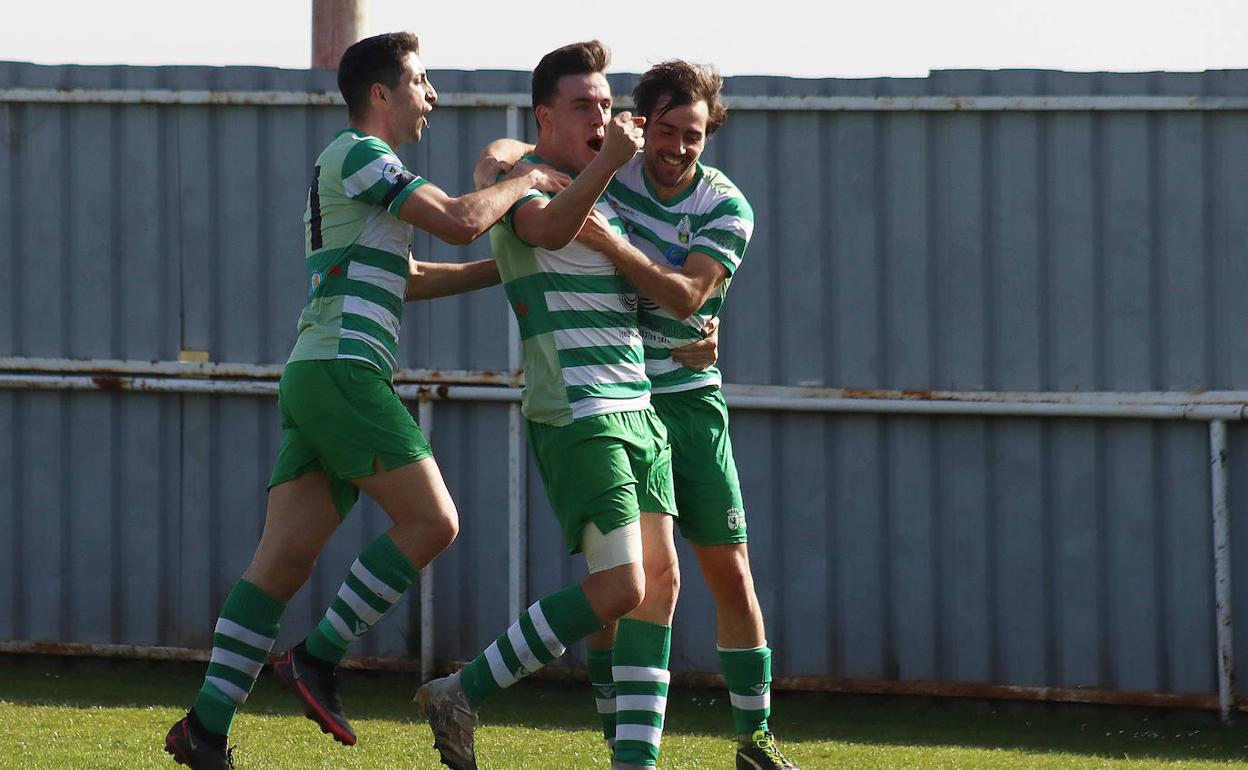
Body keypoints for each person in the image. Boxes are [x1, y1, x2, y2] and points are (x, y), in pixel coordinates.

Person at [162, 31, 571, 770]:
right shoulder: (360, 153)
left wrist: (501, 272)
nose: (432, 96)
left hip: (320, 374)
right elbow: (458, 218)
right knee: (434, 521)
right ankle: (316, 658)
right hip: (345, 373)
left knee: (279, 566)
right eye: (420, 82)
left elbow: (409, 274)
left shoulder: (365, 176)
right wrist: (529, 180)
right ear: (381, 93)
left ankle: (205, 728)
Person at [477, 60, 800, 770]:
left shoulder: (726, 206)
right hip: (617, 400)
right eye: (667, 130)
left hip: (688, 403)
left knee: (728, 572)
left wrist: (621, 252)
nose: (679, 147)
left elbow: (688, 297)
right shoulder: (609, 169)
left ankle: (755, 738)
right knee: (628, 585)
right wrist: (504, 163)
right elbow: (512, 155)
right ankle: (620, 740)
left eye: (694, 135)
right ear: (640, 123)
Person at [414, 41, 679, 770]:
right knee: (620, 585)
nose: (602, 114)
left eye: (605, 102)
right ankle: (462, 690)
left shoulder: (589, 187)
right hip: (578, 410)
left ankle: (636, 763)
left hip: (639, 407)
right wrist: (596, 163)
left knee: (658, 587)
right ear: (546, 118)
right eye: (583, 105)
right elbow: (544, 230)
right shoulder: (527, 189)